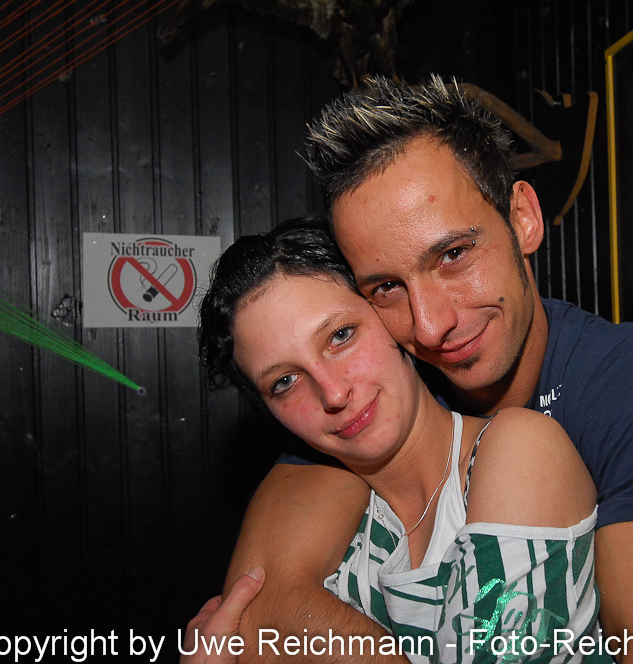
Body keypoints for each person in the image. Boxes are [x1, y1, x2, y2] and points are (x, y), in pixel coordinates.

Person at [214, 76, 633, 663]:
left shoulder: (615, 374)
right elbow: (265, 598)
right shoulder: (377, 392)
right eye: (386, 287)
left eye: (453, 255)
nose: (430, 325)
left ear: (523, 218)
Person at [198, 217, 607, 663]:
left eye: (340, 336)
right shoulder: (328, 524)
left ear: (390, 315)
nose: (333, 393)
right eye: (285, 382)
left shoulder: (519, 450)